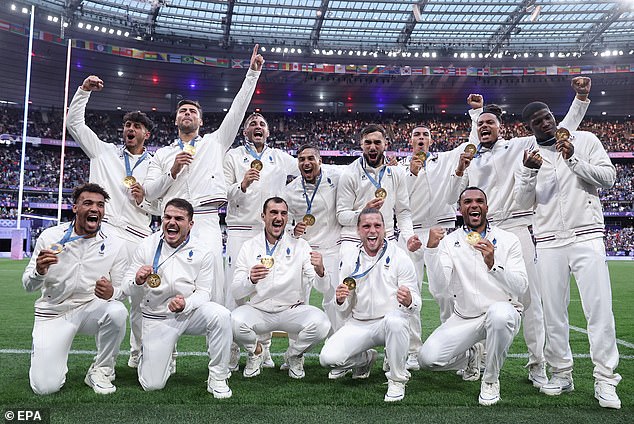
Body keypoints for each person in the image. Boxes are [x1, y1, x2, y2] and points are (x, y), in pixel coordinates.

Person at [449, 77, 591, 387]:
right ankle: (481, 358)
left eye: (491, 123)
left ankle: (537, 364)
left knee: (531, 300)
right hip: (481, 233)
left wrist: (580, 98)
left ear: (502, 127)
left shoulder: (519, 146)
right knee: (477, 296)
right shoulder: (469, 157)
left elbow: (559, 129)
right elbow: (453, 196)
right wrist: (475, 121)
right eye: (481, 123)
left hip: (517, 228)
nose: (485, 127)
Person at [514, 101, 621, 409]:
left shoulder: (585, 139)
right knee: (553, 314)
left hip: (586, 234)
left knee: (598, 309)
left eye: (546, 117)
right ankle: (562, 373)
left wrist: (574, 160)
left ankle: (605, 379)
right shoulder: (529, 158)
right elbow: (523, 204)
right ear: (529, 129)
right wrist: (528, 173)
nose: (544, 123)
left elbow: (608, 177)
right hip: (547, 241)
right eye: (536, 121)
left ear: (553, 117)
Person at [143, 44, 264, 306]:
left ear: (200, 122)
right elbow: (150, 192)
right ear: (175, 120)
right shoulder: (163, 154)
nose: (187, 114)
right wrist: (172, 173)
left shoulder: (215, 143)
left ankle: (221, 345)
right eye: (183, 111)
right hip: (172, 222)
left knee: (214, 286)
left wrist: (252, 75)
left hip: (206, 219)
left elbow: (237, 111)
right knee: (163, 281)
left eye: (193, 112)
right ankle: (160, 345)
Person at [66, 75, 160, 368]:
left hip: (139, 236)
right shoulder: (103, 151)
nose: (130, 129)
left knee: (141, 299)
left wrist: (144, 199)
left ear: (147, 134)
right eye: (127, 125)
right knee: (104, 295)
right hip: (106, 233)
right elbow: (74, 125)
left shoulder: (156, 164)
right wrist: (83, 91)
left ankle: (139, 353)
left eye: (137, 126)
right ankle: (103, 362)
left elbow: (160, 205)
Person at [419, 187, 528, 406]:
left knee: (498, 315)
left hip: (503, 311)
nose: (474, 205)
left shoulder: (508, 239)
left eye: (479, 201)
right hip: (465, 317)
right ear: (460, 209)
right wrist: (431, 251)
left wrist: (493, 265)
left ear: (486, 207)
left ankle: (490, 379)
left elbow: (521, 288)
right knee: (427, 360)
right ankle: (470, 357)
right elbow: (440, 290)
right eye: (467, 202)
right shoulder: (449, 242)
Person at [22, 183, 128, 395]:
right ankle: (46, 353)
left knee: (117, 311)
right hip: (53, 313)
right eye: (87, 203)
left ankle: (101, 370)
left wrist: (112, 292)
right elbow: (28, 285)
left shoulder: (115, 244)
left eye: (100, 205)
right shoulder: (50, 237)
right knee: (45, 388)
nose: (94, 209)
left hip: (90, 308)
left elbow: (121, 289)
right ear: (75, 208)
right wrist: (39, 271)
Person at [124, 198, 233, 398]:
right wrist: (137, 280)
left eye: (179, 218)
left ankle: (218, 377)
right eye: (167, 217)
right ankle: (150, 354)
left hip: (187, 313)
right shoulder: (147, 246)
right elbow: (126, 286)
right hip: (157, 317)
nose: (171, 222)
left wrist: (186, 303)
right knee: (152, 385)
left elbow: (204, 293)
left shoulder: (203, 251)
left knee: (221, 315)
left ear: (190, 224)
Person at [319, 208, 420, 402]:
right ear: (358, 231)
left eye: (377, 225)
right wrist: (340, 300)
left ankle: (397, 380)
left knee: (396, 321)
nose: (372, 230)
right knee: (328, 359)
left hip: (389, 323)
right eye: (366, 226)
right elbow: (343, 311)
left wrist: (409, 300)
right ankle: (366, 359)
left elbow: (416, 304)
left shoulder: (400, 257)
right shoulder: (348, 258)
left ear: (384, 229)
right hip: (359, 323)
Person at [223, 112, 297, 368]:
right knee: (236, 291)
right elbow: (223, 193)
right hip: (241, 229)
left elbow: (311, 165)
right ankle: (231, 350)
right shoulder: (232, 157)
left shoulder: (278, 157)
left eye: (262, 124)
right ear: (245, 132)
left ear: (268, 132)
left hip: (270, 232)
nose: (258, 127)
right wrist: (241, 185)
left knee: (267, 289)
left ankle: (263, 350)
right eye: (252, 124)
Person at [231, 197, 331, 379]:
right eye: (273, 213)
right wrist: (250, 280)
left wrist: (321, 270)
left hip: (291, 310)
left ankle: (293, 355)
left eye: (283, 213)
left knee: (322, 324)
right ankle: (256, 351)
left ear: (287, 217)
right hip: (259, 311)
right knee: (232, 322)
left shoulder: (300, 245)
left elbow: (321, 287)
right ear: (263, 216)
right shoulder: (249, 246)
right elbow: (236, 291)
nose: (278, 217)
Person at [398, 125, 466, 370]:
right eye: (417, 134)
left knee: (446, 291)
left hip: (441, 230)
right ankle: (413, 350)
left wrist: (476, 114)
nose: (421, 138)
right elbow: (400, 203)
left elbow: (471, 143)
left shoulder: (444, 160)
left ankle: (454, 348)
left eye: (425, 135)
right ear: (410, 140)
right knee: (409, 294)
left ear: (431, 140)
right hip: (411, 233)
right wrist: (412, 175)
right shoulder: (399, 169)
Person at [336, 124, 421, 254]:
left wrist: (409, 236)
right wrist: (363, 213)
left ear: (385, 144)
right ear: (361, 144)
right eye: (368, 143)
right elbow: (341, 216)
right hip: (355, 240)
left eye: (377, 142)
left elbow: (403, 212)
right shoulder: (349, 173)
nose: (372, 147)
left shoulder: (396, 173)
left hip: (386, 239)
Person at [285, 144, 342, 331]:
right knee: (298, 299)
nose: (306, 162)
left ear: (320, 161)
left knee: (333, 298)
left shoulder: (336, 177)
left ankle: (336, 342)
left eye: (311, 158)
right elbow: (283, 223)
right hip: (304, 249)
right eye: (302, 159)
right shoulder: (290, 190)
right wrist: (293, 229)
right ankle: (295, 352)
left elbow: (359, 170)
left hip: (331, 246)